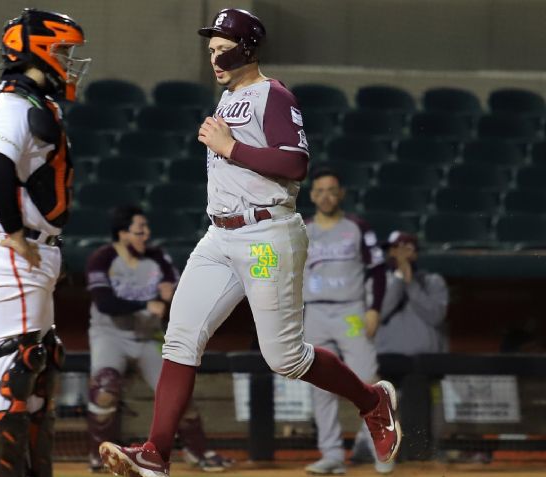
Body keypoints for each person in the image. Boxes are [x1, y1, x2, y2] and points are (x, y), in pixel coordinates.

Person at [98, 9, 401, 477]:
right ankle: (156, 452)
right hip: (219, 236)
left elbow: (296, 163)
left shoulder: (272, 95)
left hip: (264, 236)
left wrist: (230, 147)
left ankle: (372, 400)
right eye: (212, 49)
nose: (215, 57)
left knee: (284, 357)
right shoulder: (229, 98)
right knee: (179, 337)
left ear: (248, 48)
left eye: (224, 48)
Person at [0, 8, 90, 477]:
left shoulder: (34, 102)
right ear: (38, 50)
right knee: (13, 373)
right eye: (63, 51)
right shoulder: (11, 105)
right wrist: (17, 235)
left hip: (23, 249)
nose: (70, 61)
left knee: (39, 367)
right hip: (4, 247)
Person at [86, 206, 233, 473]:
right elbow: (104, 302)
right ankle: (99, 455)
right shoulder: (102, 258)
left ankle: (199, 452)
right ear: (121, 233)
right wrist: (148, 302)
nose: (146, 235)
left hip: (148, 335)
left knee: (179, 395)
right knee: (105, 388)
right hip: (111, 335)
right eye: (139, 230)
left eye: (146, 229)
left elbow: (174, 292)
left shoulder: (157, 258)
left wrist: (169, 295)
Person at [303, 167, 390, 475]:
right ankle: (332, 455)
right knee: (319, 386)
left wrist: (374, 309)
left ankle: (380, 448)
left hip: (351, 312)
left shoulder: (357, 227)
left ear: (341, 194)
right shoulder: (301, 228)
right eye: (320, 191)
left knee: (367, 379)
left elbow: (378, 270)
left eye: (332, 190)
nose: (326, 196)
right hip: (313, 312)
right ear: (312, 196)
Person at [375, 231, 449, 356]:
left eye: (406, 249)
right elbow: (378, 314)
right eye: (395, 248)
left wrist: (410, 283)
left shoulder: (432, 281)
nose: (400, 254)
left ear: (415, 254)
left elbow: (435, 317)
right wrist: (399, 278)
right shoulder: (376, 281)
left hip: (426, 361)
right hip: (386, 358)